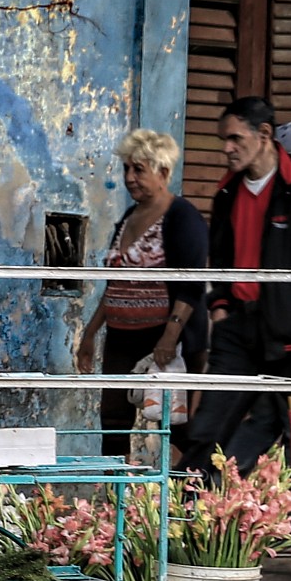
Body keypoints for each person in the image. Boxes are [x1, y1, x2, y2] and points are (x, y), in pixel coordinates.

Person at [179, 96, 291, 579]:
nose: (227, 148)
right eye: (223, 140)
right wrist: (219, 308)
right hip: (240, 328)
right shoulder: (227, 192)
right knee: (210, 424)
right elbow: (217, 258)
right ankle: (185, 531)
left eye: (235, 138)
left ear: (264, 136)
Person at [78, 128, 207, 458]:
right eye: (126, 169)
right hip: (121, 337)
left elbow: (190, 283)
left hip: (166, 341)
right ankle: (114, 499)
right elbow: (116, 284)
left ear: (163, 172)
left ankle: (180, 498)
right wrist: (90, 335)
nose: (130, 178)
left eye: (139, 169)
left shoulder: (182, 216)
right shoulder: (128, 217)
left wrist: (169, 336)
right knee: (114, 419)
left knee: (175, 423)